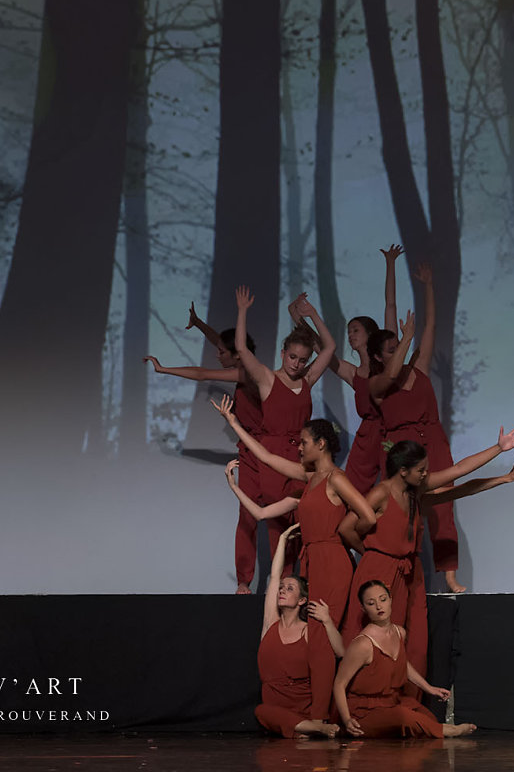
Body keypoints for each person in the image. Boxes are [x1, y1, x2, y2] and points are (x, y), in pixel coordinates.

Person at [216, 395, 377, 719]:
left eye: (304, 443)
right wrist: (233, 423)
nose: (299, 448)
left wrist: (346, 536)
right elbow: (266, 457)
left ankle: (320, 717)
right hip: (313, 561)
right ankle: (321, 714)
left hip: (332, 562)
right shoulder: (309, 477)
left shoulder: (336, 478)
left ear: (321, 444)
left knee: (319, 637)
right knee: (316, 639)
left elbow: (368, 516)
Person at [339, 433, 514, 684]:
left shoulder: (415, 491)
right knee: (377, 638)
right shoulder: (381, 493)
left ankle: (404, 697)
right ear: (403, 471)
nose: (426, 474)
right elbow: (346, 528)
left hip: (410, 571)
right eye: (421, 470)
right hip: (380, 571)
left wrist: (501, 460)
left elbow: (460, 474)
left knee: (414, 638)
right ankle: (370, 698)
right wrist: (372, 554)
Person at [144, 304, 263, 594]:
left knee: (274, 517)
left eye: (222, 352)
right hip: (250, 452)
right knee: (247, 517)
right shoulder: (243, 366)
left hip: (266, 451)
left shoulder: (247, 374)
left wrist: (163, 369)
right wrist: (199, 325)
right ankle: (244, 582)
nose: (217, 355)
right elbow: (222, 343)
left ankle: (286, 578)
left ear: (237, 354)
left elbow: (201, 374)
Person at [369, 262, 465, 593]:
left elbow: (431, 325)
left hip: (433, 441)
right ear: (379, 358)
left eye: (400, 344)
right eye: (392, 349)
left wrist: (428, 286)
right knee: (403, 511)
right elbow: (390, 371)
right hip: (403, 451)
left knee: (443, 506)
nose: (401, 349)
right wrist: (405, 338)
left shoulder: (418, 369)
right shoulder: (377, 384)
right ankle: (403, 571)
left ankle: (449, 573)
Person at [235, 288, 336, 564]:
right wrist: (242, 311)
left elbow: (329, 348)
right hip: (273, 454)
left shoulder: (307, 379)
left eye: (303, 360)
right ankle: (281, 577)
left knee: (305, 514)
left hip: (303, 454)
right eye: (292, 357)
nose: (297, 364)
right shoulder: (267, 379)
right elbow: (242, 349)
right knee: (277, 520)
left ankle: (300, 577)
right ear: (283, 353)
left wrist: (312, 314)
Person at [332, 580, 477, 738]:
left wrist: (429, 688)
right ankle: (450, 730)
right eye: (371, 603)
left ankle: (438, 728)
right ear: (364, 608)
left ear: (390, 600)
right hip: (364, 712)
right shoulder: (363, 644)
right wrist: (347, 720)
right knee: (404, 717)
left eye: (383, 599)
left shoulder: (399, 632)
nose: (379, 606)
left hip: (392, 702)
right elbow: (339, 683)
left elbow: (402, 665)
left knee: (427, 717)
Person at [326, 245, 403, 494]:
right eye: (348, 331)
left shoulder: (387, 362)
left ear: (370, 334)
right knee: (352, 492)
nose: (350, 335)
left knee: (393, 492)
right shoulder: (354, 373)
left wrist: (390, 264)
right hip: (365, 438)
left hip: (390, 432)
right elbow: (326, 356)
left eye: (355, 330)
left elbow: (390, 306)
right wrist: (303, 320)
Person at [255, 524, 343, 739]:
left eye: (290, 589)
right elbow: (275, 576)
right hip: (276, 709)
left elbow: (341, 652)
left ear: (302, 600)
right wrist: (283, 539)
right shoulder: (270, 623)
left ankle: (308, 726)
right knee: (261, 711)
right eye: (282, 588)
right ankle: (312, 729)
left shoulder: (308, 630)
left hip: (304, 708)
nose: (282, 591)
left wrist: (327, 621)